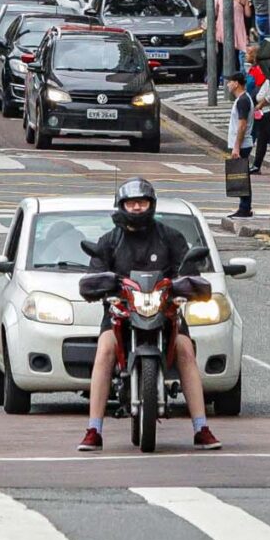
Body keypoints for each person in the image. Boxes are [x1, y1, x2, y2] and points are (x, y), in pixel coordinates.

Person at [78, 179, 221, 453]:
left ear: (151, 205)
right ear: (121, 206)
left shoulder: (171, 237)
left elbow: (189, 270)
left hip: (165, 312)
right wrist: (100, 285)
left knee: (185, 349)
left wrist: (187, 284)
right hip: (121, 313)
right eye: (131, 203)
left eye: (142, 202)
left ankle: (201, 427)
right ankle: (93, 429)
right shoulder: (109, 241)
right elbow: (94, 274)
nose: (136, 207)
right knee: (105, 349)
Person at [225, 74, 255, 218]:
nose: (227, 85)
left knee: (241, 176)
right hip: (242, 143)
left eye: (229, 82)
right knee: (242, 176)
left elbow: (242, 125)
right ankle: (244, 207)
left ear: (236, 83)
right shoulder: (243, 99)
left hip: (242, 144)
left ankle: (244, 208)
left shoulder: (243, 100)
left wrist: (236, 146)